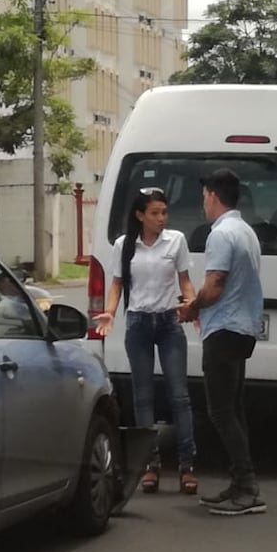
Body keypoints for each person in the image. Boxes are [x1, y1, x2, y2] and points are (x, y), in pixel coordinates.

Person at [94, 187, 199, 495]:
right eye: (154, 213)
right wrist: (111, 312)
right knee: (143, 397)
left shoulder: (176, 241)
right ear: (140, 215)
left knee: (179, 395)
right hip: (138, 323)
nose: (161, 219)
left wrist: (190, 305)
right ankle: (149, 465)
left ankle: (187, 465)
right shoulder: (124, 245)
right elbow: (116, 284)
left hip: (168, 323)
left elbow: (185, 281)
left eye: (164, 212)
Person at [176, 168, 266, 516]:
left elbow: (214, 285)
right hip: (241, 328)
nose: (203, 204)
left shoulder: (221, 234)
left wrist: (191, 308)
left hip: (224, 330)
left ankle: (248, 486)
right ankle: (239, 483)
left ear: (213, 195)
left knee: (221, 411)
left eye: (203, 197)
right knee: (234, 409)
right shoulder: (245, 231)